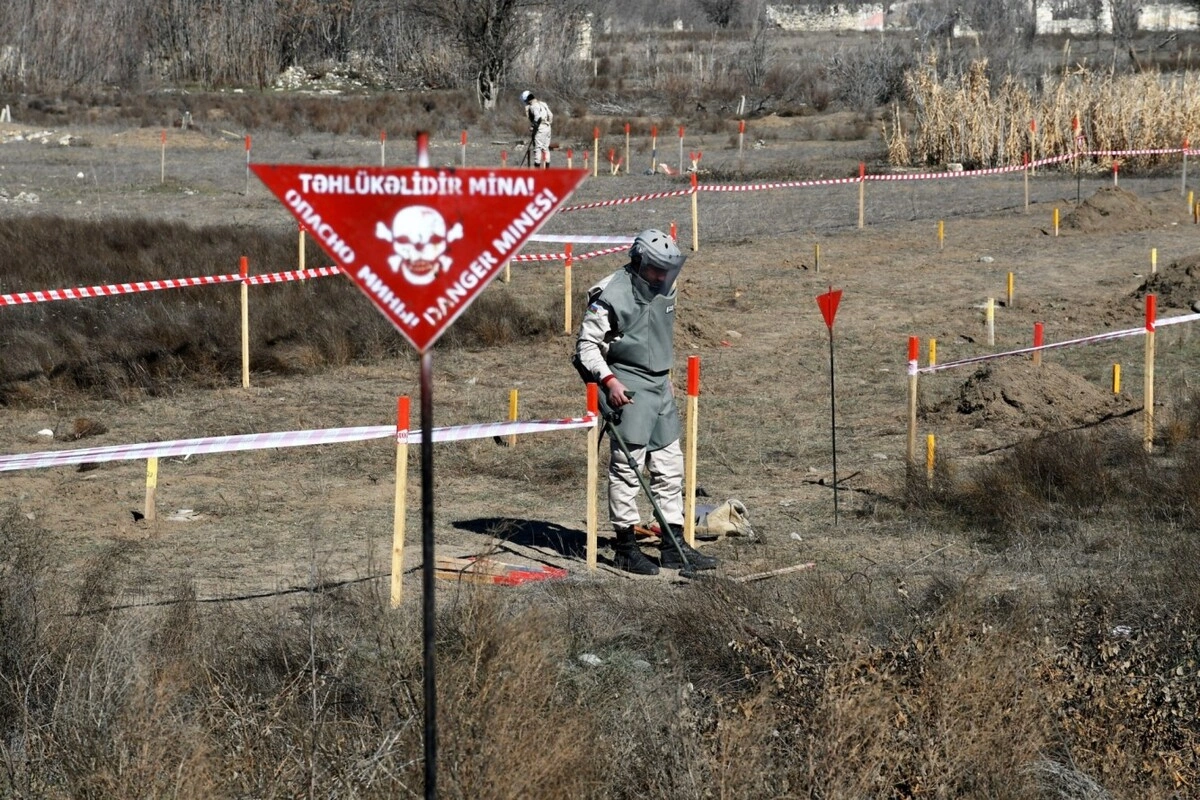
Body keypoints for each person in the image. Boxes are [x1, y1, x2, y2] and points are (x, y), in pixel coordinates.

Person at [573, 229, 718, 575]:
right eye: (655, 268)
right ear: (639, 262)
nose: (661, 275)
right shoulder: (610, 294)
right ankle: (625, 545)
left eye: (667, 268)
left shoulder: (666, 287)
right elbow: (586, 346)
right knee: (627, 469)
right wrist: (608, 381)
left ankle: (672, 543)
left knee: (670, 468)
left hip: (660, 386)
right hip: (626, 387)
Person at [520, 90, 553, 169]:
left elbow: (538, 117)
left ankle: (537, 171)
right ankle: (547, 170)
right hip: (547, 127)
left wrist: (533, 127)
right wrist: (548, 123)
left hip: (540, 129)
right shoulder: (543, 104)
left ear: (527, 100)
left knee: (538, 149)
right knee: (546, 148)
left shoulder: (533, 106)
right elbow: (551, 115)